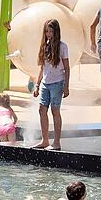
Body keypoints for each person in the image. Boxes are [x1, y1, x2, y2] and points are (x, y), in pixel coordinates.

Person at [33, 19, 70, 150]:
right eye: (46, 31)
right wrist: (37, 85)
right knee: (42, 110)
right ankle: (45, 140)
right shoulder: (44, 45)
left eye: (51, 31)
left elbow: (67, 67)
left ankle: (57, 142)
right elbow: (42, 67)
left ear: (56, 32)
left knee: (55, 111)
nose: (48, 34)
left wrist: (66, 86)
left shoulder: (62, 46)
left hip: (57, 82)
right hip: (45, 83)